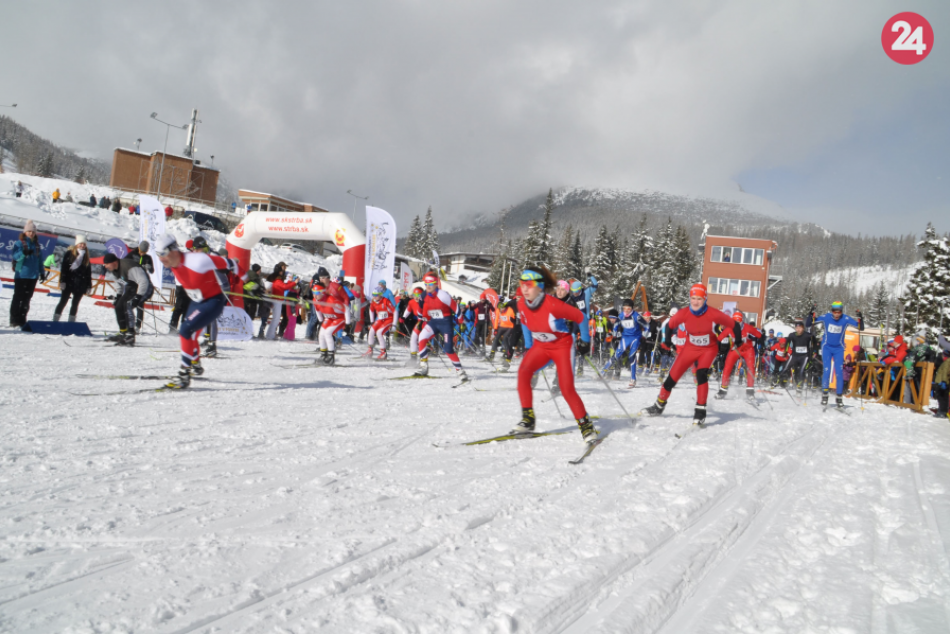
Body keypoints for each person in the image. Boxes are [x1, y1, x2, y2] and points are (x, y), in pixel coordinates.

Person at [510, 267, 597, 443]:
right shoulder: (521, 304)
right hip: (541, 347)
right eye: (522, 284)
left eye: (529, 285)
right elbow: (526, 324)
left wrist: (585, 341)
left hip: (562, 346)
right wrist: (528, 346)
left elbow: (581, 317)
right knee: (523, 373)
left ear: (540, 287)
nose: (525, 289)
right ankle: (528, 420)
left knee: (566, 388)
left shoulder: (553, 304)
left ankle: (586, 425)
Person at [153, 234, 244, 388]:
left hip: (213, 299)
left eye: (162, 254)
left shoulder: (201, 259)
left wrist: (248, 282)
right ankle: (195, 365)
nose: (161, 259)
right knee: (191, 333)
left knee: (188, 330)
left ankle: (186, 371)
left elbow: (229, 268)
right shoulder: (178, 262)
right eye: (158, 255)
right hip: (197, 299)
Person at [644, 284, 742, 426]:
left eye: (699, 299)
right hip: (690, 348)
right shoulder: (684, 313)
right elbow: (669, 325)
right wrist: (667, 341)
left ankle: (700, 410)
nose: (695, 302)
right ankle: (658, 406)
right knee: (672, 378)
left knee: (701, 374)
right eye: (693, 298)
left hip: (709, 349)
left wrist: (738, 340)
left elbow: (735, 325)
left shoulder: (713, 313)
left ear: (705, 299)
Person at [413, 273, 468, 382]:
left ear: (436, 284)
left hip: (445, 323)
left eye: (430, 284)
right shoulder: (424, 295)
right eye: (426, 284)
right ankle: (424, 366)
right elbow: (420, 308)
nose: (427, 286)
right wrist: (419, 320)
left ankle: (460, 371)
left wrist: (461, 321)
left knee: (448, 349)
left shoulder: (443, 295)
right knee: (421, 339)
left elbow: (456, 308)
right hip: (433, 322)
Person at [813, 301, 863, 408]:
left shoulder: (845, 318)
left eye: (838, 312)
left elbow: (860, 327)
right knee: (827, 370)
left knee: (839, 372)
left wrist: (860, 318)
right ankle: (825, 395)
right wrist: (811, 313)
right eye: (834, 312)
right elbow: (810, 322)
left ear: (841, 311)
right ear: (831, 311)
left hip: (839, 349)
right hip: (827, 347)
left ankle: (839, 397)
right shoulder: (826, 317)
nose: (836, 314)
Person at [102, 252, 151, 346]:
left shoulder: (128, 266)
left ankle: (130, 335)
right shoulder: (114, 270)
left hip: (146, 287)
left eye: (107, 264)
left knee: (127, 305)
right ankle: (123, 332)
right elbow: (119, 284)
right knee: (119, 306)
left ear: (114, 262)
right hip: (132, 287)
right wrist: (118, 296)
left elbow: (144, 281)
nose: (106, 266)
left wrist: (138, 296)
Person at [715, 311, 762, 399]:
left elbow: (760, 335)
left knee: (750, 368)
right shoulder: (729, 328)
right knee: (727, 367)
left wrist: (761, 345)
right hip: (735, 350)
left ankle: (750, 391)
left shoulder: (747, 327)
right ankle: (723, 390)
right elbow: (719, 338)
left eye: (738, 323)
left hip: (748, 350)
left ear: (742, 321)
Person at [10, 220, 42, 329]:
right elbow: (15, 256)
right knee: (18, 297)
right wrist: (23, 252)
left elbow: (40, 260)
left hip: (33, 276)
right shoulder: (19, 243)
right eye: (29, 231)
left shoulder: (37, 245)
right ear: (25, 232)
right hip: (21, 275)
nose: (31, 233)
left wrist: (42, 272)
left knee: (27, 298)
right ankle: (14, 319)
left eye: (33, 232)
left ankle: (22, 319)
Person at [603, 298, 644, 387]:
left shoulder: (636, 316)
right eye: (624, 308)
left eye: (628, 309)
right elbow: (616, 325)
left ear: (632, 308)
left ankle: (633, 379)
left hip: (635, 337)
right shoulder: (621, 316)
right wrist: (614, 331)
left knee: (631, 356)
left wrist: (646, 332)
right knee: (616, 354)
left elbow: (646, 324)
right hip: (625, 338)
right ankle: (604, 371)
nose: (626, 311)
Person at [53, 235, 92, 322]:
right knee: (63, 301)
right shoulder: (70, 253)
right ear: (77, 244)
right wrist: (62, 281)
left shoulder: (86, 256)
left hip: (81, 283)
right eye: (80, 244)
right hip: (69, 281)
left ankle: (71, 322)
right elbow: (64, 268)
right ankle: (55, 320)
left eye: (84, 244)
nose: (82, 246)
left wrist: (89, 285)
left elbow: (88, 272)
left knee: (75, 304)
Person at [312, 281, 351, 365]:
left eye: (317, 293)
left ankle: (330, 356)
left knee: (327, 333)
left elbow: (346, 309)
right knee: (321, 334)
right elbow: (317, 309)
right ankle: (323, 354)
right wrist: (320, 320)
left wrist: (348, 323)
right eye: (313, 292)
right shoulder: (315, 300)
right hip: (329, 318)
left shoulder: (331, 300)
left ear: (322, 292)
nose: (315, 295)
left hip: (339, 318)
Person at [130, 241, 155, 332]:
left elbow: (152, 271)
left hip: (143, 281)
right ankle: (129, 323)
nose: (142, 253)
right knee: (130, 303)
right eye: (141, 251)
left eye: (144, 252)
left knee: (140, 303)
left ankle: (138, 326)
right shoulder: (132, 254)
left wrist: (149, 267)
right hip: (134, 280)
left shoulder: (148, 258)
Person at [782, 320, 813, 392]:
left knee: (801, 371)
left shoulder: (807, 335)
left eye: (800, 328)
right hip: (795, 355)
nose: (798, 329)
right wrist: (785, 351)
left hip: (804, 356)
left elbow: (814, 343)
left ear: (803, 328)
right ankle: (784, 380)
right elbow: (787, 343)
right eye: (797, 328)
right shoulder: (792, 335)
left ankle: (800, 386)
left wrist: (813, 352)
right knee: (786, 368)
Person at [365, 288, 395, 360]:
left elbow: (394, 311)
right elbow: (371, 311)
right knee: (371, 331)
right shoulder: (373, 302)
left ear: (380, 295)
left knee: (379, 332)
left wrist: (394, 324)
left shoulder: (386, 301)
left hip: (388, 319)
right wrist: (372, 321)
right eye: (373, 295)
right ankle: (370, 350)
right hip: (380, 319)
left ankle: (383, 353)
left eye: (376, 295)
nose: (374, 296)